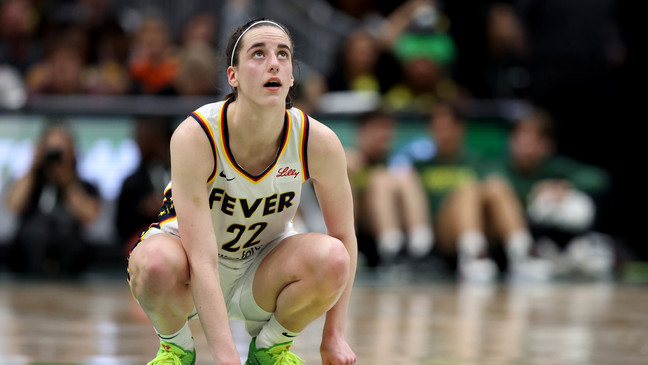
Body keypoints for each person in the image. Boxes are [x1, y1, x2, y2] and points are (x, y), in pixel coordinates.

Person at [127, 19, 357, 365]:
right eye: (258, 54)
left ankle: (270, 348)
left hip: (263, 269)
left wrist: (334, 336)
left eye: (283, 54)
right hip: (189, 267)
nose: (274, 62)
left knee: (333, 256)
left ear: (292, 76)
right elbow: (202, 258)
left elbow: (344, 235)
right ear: (232, 76)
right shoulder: (196, 135)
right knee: (152, 262)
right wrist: (225, 357)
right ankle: (176, 348)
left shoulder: (317, 141)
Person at [410, 101, 551, 282]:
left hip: (485, 228)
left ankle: (523, 253)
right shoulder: (420, 167)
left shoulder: (480, 161)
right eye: (438, 127)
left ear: (460, 128)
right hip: (442, 233)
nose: (443, 134)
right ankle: (473, 255)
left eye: (447, 127)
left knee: (497, 186)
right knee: (466, 190)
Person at [502, 106, 613, 277]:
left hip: (552, 239)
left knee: (575, 207)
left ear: (547, 145)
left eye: (534, 138)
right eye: (521, 136)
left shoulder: (554, 167)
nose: (526, 144)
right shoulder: (501, 169)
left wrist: (563, 185)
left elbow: (599, 178)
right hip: (509, 243)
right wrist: (533, 194)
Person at [4, 124, 101, 276]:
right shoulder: (29, 181)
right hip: (28, 252)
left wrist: (67, 182)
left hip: (69, 252)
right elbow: (13, 206)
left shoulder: (84, 185)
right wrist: (32, 168)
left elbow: (89, 215)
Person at [346, 109, 433, 266]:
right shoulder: (350, 159)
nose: (383, 134)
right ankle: (392, 249)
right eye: (377, 128)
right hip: (360, 230)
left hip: (400, 223)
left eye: (387, 128)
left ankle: (420, 245)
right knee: (380, 180)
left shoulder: (396, 162)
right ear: (361, 132)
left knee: (406, 176)